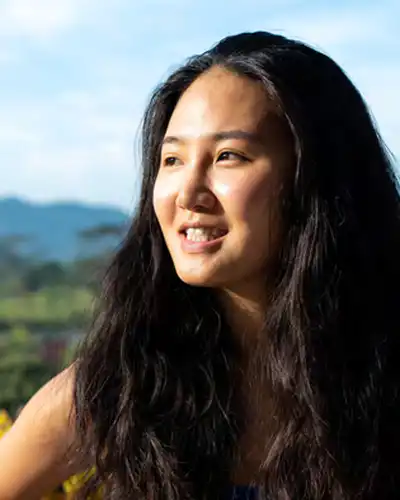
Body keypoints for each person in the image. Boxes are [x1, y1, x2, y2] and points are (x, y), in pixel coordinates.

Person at [1, 30, 400, 500]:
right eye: (172, 159)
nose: (188, 193)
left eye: (228, 156)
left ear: (314, 176)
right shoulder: (117, 390)